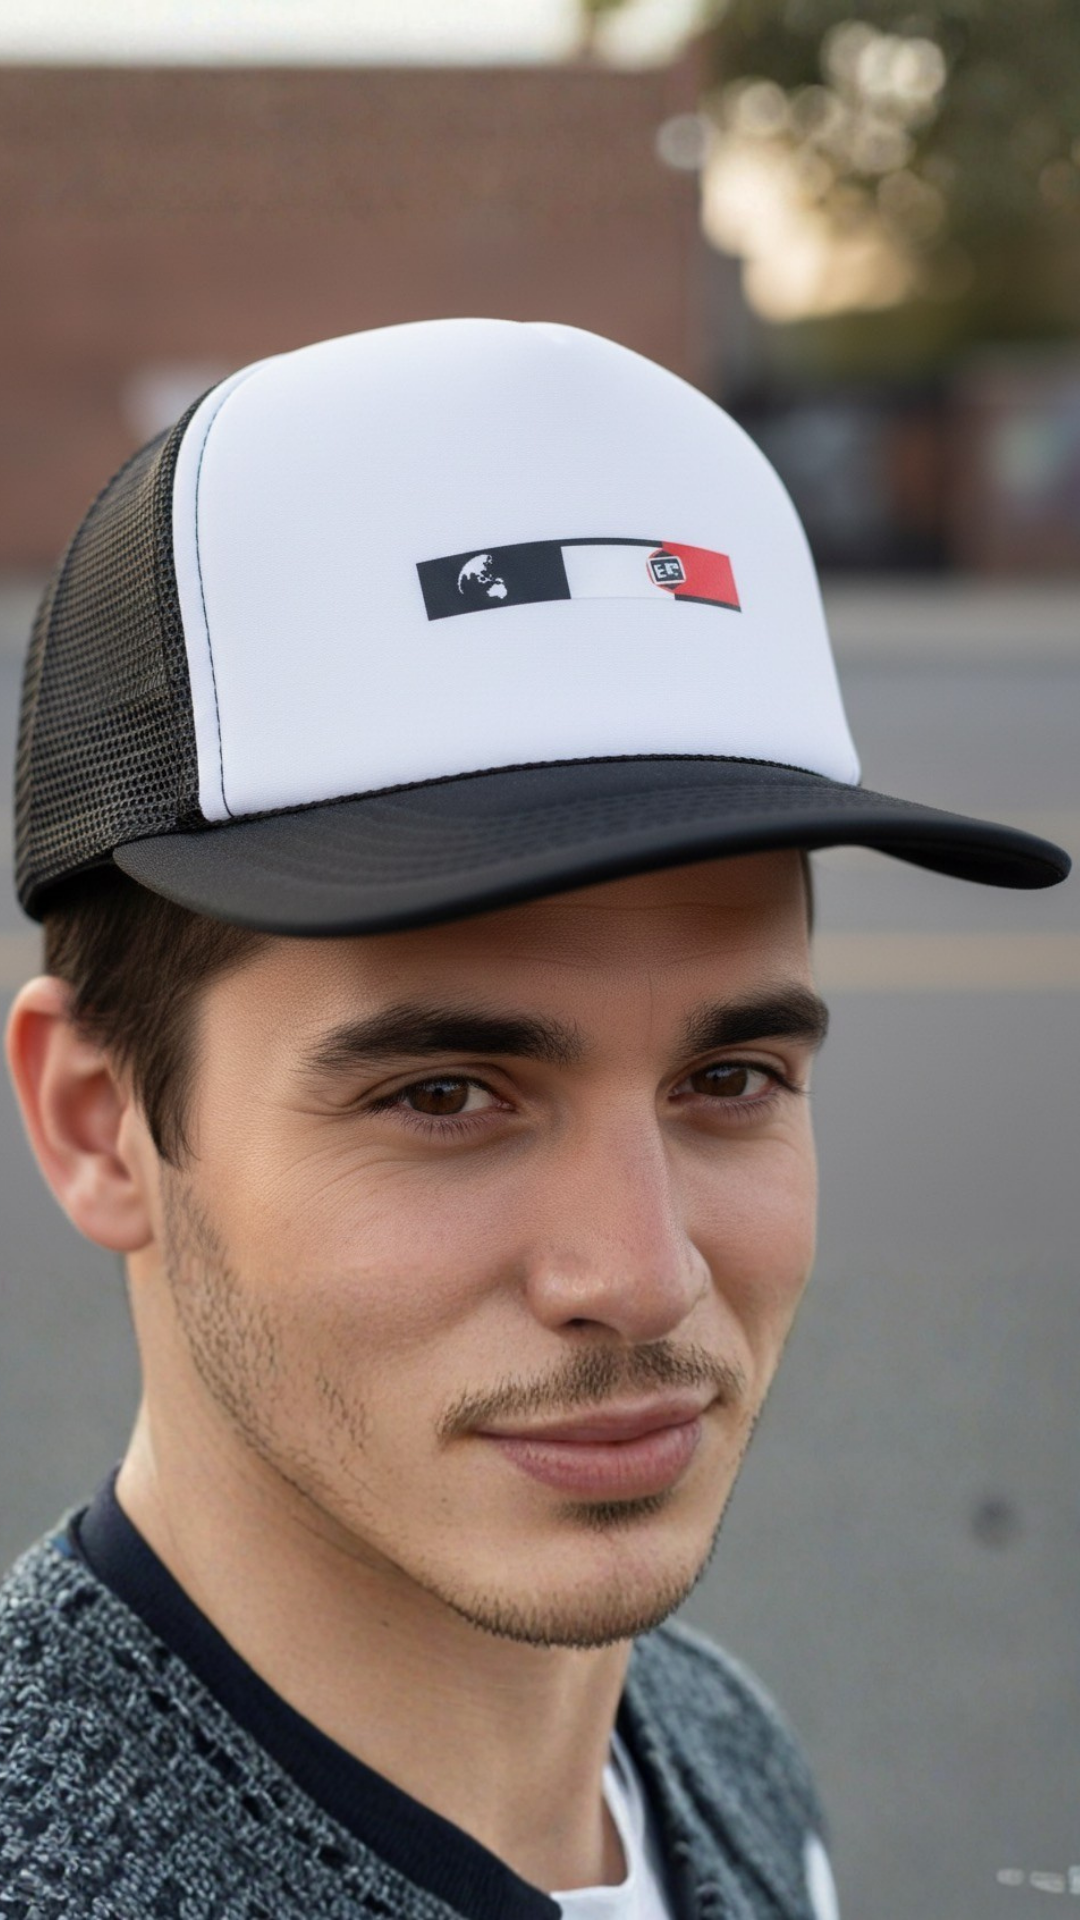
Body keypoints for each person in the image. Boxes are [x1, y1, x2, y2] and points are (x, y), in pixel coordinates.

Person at [0, 319, 1068, 1920]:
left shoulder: (723, 1756)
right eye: (444, 1096)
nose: (642, 1276)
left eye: (730, 1079)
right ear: (99, 1124)